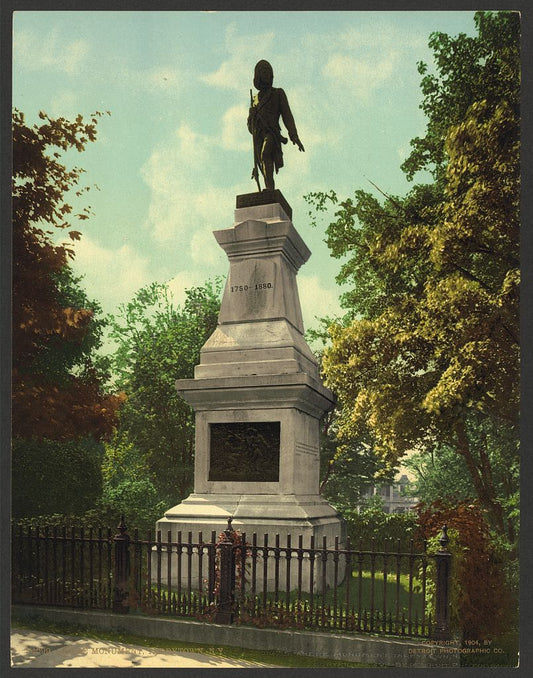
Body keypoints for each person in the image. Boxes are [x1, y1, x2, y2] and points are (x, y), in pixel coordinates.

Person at [247, 60, 305, 191]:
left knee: (265, 155)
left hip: (272, 133)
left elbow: (287, 115)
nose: (266, 74)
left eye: (268, 71)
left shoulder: (278, 93)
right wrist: (252, 116)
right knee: (262, 163)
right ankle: (268, 189)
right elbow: (251, 129)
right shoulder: (254, 100)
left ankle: (270, 189)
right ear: (257, 76)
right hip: (259, 136)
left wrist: (293, 135)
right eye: (262, 72)